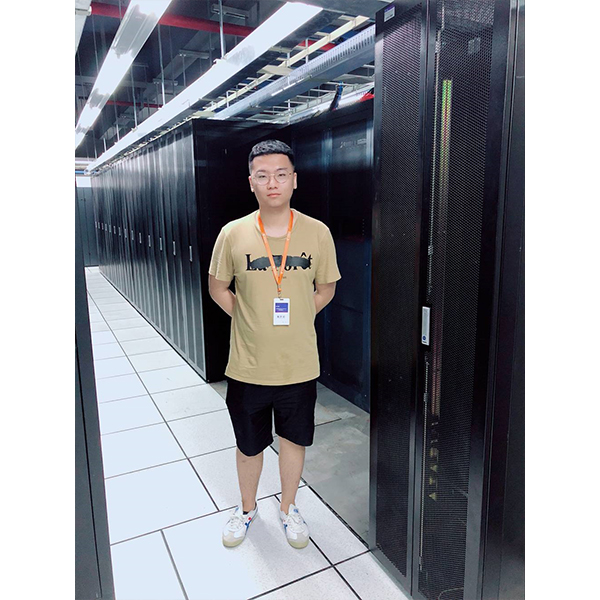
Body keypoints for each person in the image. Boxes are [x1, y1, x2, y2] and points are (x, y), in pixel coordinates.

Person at [208, 139, 341, 549]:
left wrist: (299, 315)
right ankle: (247, 509)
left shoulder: (317, 232)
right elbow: (217, 287)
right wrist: (249, 319)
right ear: (251, 182)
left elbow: (326, 288)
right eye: (262, 175)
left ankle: (288, 508)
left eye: (281, 174)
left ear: (294, 180)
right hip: (248, 366)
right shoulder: (233, 233)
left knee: (294, 441)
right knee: (249, 445)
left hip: (298, 365)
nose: (272, 183)